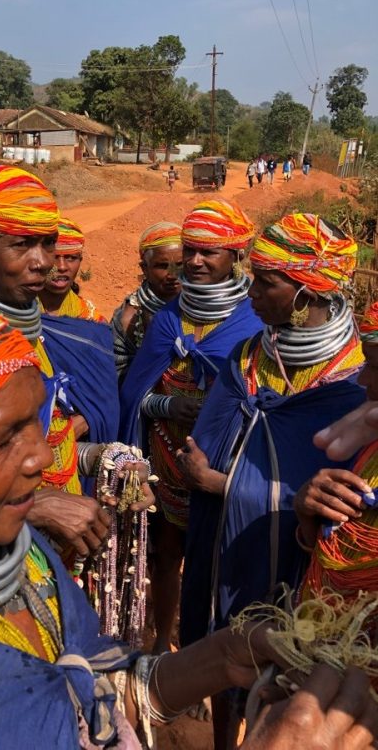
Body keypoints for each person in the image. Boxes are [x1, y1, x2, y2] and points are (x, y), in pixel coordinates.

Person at [0, 293, 377, 749]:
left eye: (34, 422)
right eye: (3, 438)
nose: (40, 456)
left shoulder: (19, 558)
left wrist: (218, 657)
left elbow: (92, 690)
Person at [177, 212, 365, 749]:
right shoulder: (249, 356)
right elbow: (213, 435)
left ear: (305, 295)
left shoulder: (354, 386)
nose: (251, 292)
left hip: (306, 570)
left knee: (289, 675)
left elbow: (345, 505)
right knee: (224, 645)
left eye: (266, 282)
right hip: (227, 550)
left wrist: (221, 486)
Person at [0, 165, 153, 567]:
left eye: (48, 243)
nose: (43, 261)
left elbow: (51, 444)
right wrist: (35, 506)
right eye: (22, 245)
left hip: (51, 553)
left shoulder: (33, 340)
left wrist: (115, 462)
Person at [119, 200, 261, 656]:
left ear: (236, 256)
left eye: (209, 252)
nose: (195, 262)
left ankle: (206, 657)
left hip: (221, 470)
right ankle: (162, 642)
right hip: (165, 458)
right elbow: (133, 392)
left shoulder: (256, 321)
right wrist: (167, 403)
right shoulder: (166, 319)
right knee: (166, 556)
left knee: (217, 564)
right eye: (192, 251)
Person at [295, 301, 378, 615]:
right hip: (326, 630)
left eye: (375, 367)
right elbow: (335, 551)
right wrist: (307, 511)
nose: (364, 380)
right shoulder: (369, 440)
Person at [38, 217, 119, 484]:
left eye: (71, 258)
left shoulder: (92, 321)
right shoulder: (20, 318)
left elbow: (106, 395)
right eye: (55, 257)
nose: (61, 267)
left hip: (82, 442)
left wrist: (87, 419)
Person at [111, 221, 182, 382]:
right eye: (162, 266)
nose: (173, 274)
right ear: (145, 268)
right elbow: (118, 377)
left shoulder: (204, 305)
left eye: (180, 264)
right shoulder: (128, 318)